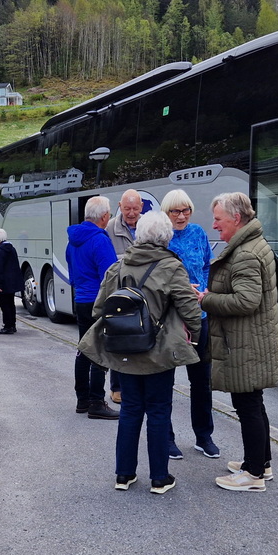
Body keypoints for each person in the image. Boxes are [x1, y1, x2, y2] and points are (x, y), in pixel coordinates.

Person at [79, 211, 202, 494]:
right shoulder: (171, 267)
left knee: (130, 410)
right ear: (166, 237)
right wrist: (193, 335)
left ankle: (124, 475)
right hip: (159, 352)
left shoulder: (119, 266)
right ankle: (159, 478)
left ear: (139, 235)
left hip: (124, 350)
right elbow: (190, 311)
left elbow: (99, 308)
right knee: (158, 411)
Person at [201, 192, 278, 493]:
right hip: (253, 340)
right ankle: (261, 462)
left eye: (218, 219)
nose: (214, 225)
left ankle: (253, 474)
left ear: (236, 219)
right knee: (253, 403)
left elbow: (246, 301)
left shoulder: (245, 253)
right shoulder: (252, 244)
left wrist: (206, 299)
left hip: (246, 343)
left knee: (247, 405)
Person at [162, 189, 220, 460]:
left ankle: (204, 436)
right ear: (166, 213)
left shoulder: (198, 233)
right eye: (175, 211)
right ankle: (166, 438)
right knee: (165, 380)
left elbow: (207, 265)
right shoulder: (162, 238)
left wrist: (205, 289)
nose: (181, 216)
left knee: (201, 380)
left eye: (186, 210)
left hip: (200, 317)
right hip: (171, 320)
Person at [66, 195, 119, 419]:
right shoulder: (100, 240)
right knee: (99, 351)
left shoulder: (72, 240)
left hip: (81, 299)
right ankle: (97, 401)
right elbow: (110, 276)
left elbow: (72, 274)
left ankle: (82, 399)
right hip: (98, 301)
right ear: (105, 216)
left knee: (83, 349)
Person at [106, 189, 145, 402]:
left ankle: (139, 387)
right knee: (119, 342)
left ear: (142, 207)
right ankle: (117, 388)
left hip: (144, 296)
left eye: (135, 208)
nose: (131, 213)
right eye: (127, 208)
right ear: (120, 206)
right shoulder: (110, 228)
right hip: (119, 296)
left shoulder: (148, 226)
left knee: (141, 341)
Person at [0, 228, 22, 334]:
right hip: (12, 282)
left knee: (4, 305)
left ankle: (7, 326)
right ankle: (12, 325)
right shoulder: (11, 249)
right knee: (11, 304)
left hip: (3, 283)